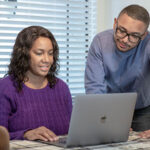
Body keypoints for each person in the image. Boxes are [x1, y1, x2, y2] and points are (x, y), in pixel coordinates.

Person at [85, 4, 150, 137]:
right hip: (109, 109)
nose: (125, 40)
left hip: (142, 109)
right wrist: (105, 118)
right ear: (115, 23)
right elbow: (95, 88)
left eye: (134, 36)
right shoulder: (100, 42)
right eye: (121, 30)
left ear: (144, 36)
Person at [0, 26, 72, 141]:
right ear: (24, 55)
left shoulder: (61, 88)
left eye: (50, 53)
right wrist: (25, 134)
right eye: (39, 53)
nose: (47, 60)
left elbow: (72, 132)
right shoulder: (6, 88)